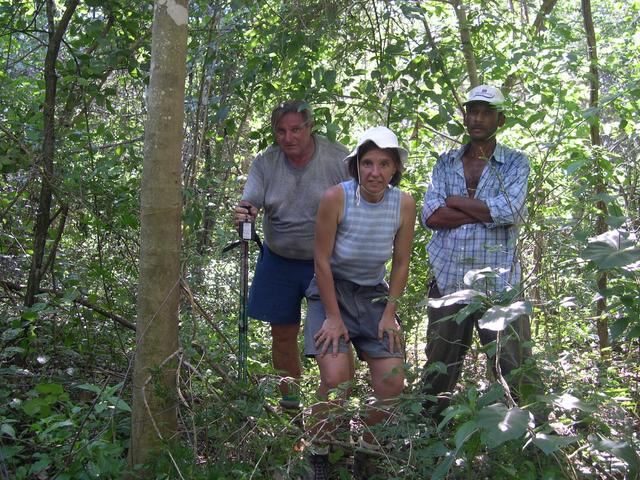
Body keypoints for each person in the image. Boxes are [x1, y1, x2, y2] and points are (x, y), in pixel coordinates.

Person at [303, 126, 416, 479]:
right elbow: (321, 260)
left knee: (392, 382)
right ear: (356, 166)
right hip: (331, 291)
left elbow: (401, 262)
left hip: (373, 295)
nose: (375, 172)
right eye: (367, 163)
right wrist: (332, 316)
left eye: (384, 164)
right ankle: (319, 449)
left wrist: (389, 313)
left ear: (395, 168)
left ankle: (367, 449)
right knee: (337, 379)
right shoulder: (337, 197)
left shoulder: (404, 203)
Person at [421, 85, 537, 415]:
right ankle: (427, 430)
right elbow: (432, 215)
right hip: (448, 278)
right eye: (472, 110)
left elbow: (511, 211)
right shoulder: (445, 163)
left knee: (513, 363)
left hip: (499, 284)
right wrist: (483, 209)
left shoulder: (515, 163)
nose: (477, 118)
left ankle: (532, 432)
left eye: (486, 112)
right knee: (439, 363)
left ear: (500, 118)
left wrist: (455, 202)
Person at [235, 100, 349, 408]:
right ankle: (290, 406)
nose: (289, 138)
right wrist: (245, 215)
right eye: (281, 131)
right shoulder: (266, 162)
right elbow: (250, 201)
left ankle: (329, 411)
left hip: (325, 262)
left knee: (330, 337)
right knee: (282, 335)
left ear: (310, 127)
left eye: (296, 129)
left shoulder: (337, 158)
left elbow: (360, 201)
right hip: (279, 259)